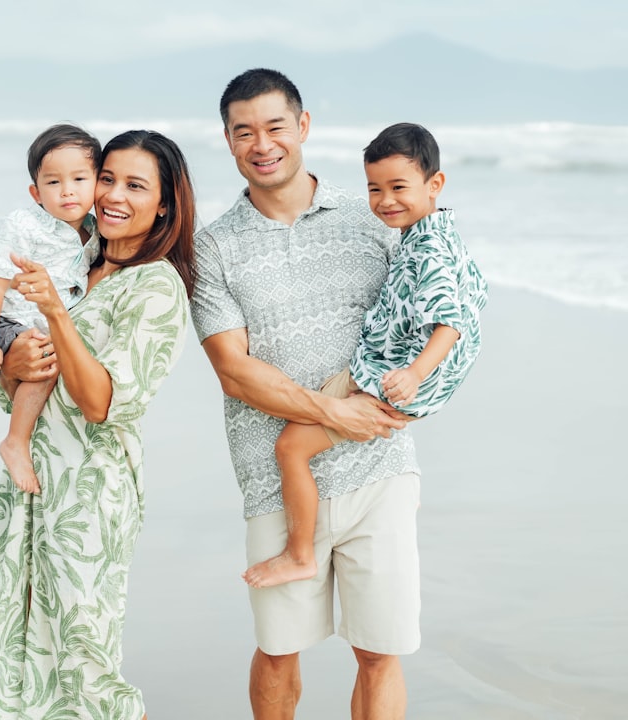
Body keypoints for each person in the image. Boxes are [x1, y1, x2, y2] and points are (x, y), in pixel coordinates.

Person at [190, 68, 423, 719]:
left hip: (379, 467)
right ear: (230, 142)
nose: (262, 144)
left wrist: (401, 400)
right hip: (273, 476)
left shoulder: (371, 218)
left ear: (303, 128)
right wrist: (332, 411)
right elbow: (234, 371)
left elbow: (424, 313)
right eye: (244, 133)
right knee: (279, 648)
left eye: (274, 127)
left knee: (380, 652)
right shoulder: (213, 249)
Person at [0, 129, 197, 720]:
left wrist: (57, 314)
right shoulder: (75, 255)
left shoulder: (157, 286)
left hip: (90, 492)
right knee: (13, 637)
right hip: (31, 478)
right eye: (107, 179)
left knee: (85, 657)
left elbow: (101, 402)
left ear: (164, 202)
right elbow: (17, 374)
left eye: (135, 186)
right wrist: (6, 363)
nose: (113, 196)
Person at [243, 122, 489, 590]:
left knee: (290, 448)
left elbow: (449, 323)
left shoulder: (428, 249)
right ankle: (393, 495)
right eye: (374, 189)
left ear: (434, 184)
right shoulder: (427, 233)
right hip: (399, 373)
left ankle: (299, 555)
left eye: (399, 187)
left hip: (392, 378)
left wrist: (415, 375)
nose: (385, 200)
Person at [0, 123, 102, 495]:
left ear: (97, 182)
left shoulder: (92, 229)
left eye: (79, 179)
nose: (68, 190)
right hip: (6, 320)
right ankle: (15, 441)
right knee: (45, 366)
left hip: (40, 324)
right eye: (54, 183)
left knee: (52, 360)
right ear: (36, 192)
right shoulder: (24, 225)